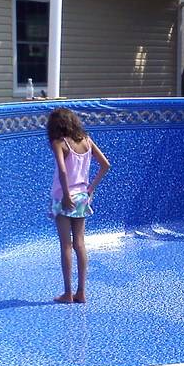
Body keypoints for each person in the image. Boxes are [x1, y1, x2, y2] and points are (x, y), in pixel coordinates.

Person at [47, 107, 111, 304]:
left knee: (66, 245)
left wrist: (66, 195)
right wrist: (90, 189)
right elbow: (105, 165)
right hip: (82, 197)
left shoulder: (60, 142)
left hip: (64, 197)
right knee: (80, 244)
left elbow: (63, 171)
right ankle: (81, 291)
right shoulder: (86, 141)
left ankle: (68, 293)